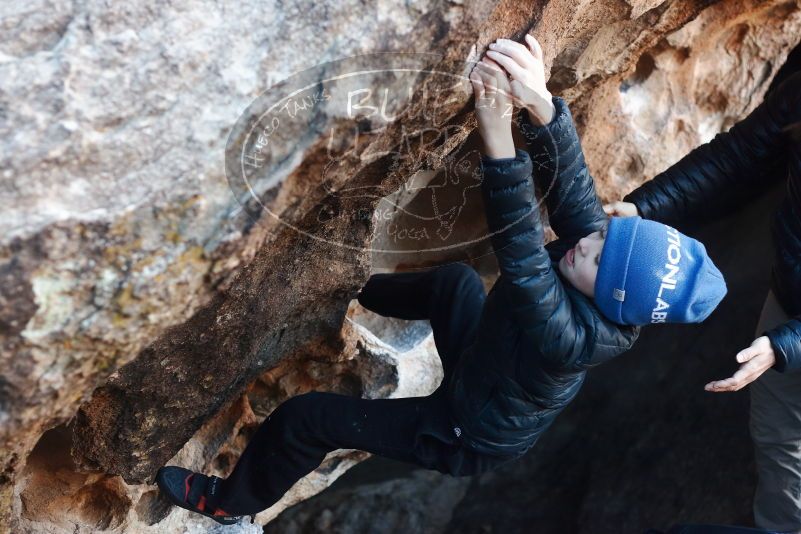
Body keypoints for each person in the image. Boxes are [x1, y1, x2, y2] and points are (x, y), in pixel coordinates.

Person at [154, 35, 728, 525]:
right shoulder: (594, 264)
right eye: (606, 236)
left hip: (464, 430)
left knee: (307, 421)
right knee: (454, 283)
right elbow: (575, 196)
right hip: (485, 363)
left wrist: (496, 131)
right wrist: (540, 102)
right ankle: (345, 288)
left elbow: (524, 254)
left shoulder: (572, 337)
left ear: (610, 301)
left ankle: (230, 504)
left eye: (601, 257)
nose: (589, 241)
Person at [605, 58, 801, 532]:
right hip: (792, 297)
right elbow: (743, 154)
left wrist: (784, 345)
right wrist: (645, 207)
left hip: (787, 332)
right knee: (780, 437)